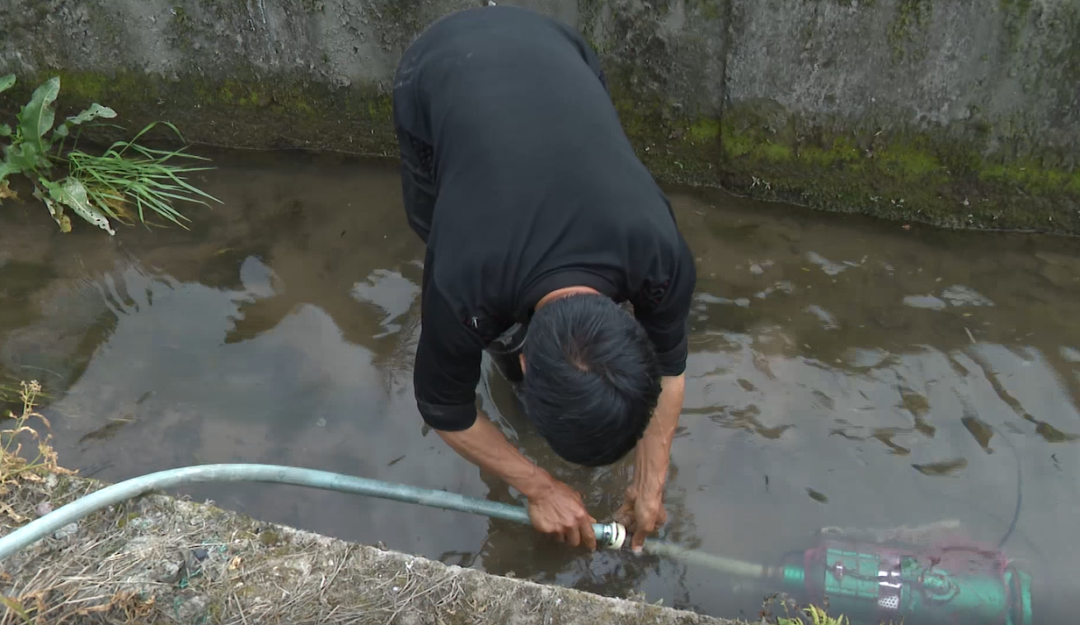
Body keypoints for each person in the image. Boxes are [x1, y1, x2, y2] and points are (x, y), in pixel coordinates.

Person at [391, 4, 697, 554]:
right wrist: (538, 485)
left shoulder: (659, 252)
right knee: (430, 223)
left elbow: (670, 368)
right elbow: (443, 407)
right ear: (527, 361)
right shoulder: (462, 279)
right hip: (439, 66)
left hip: (560, 50)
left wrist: (651, 485)